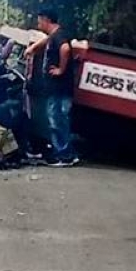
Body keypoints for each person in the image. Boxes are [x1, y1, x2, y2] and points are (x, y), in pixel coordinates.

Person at [25, 11, 77, 167]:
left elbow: (65, 49)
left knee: (57, 120)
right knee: (57, 119)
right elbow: (48, 40)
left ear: (46, 20)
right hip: (57, 87)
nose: (38, 25)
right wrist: (33, 48)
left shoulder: (59, 36)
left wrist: (61, 69)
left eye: (40, 22)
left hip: (59, 87)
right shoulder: (54, 36)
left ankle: (64, 155)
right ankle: (64, 152)